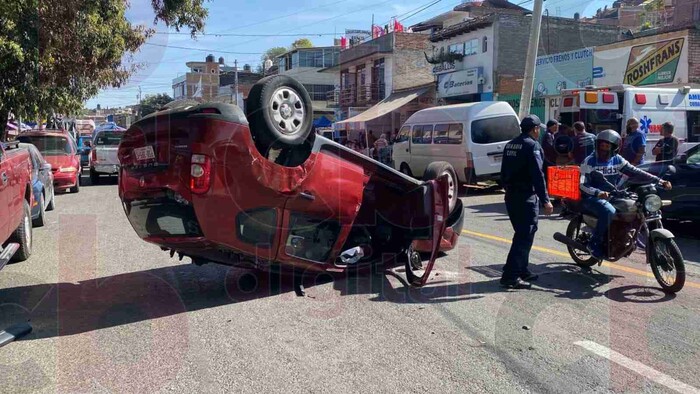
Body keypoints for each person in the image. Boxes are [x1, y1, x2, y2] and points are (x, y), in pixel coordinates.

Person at [579, 130, 671, 260]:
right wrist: (598, 192)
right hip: (591, 197)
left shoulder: (617, 159)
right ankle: (594, 243)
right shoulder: (589, 161)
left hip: (613, 195)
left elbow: (636, 171)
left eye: (607, 146)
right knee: (608, 211)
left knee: (636, 207)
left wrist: (659, 181)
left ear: (614, 147)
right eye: (601, 145)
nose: (603, 148)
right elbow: (582, 185)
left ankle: (623, 237)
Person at [499, 115, 554, 289]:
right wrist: (546, 200)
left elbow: (502, 172)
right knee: (524, 236)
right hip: (525, 197)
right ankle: (510, 276)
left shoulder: (510, 145)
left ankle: (522, 269)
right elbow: (538, 175)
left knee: (523, 234)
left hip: (511, 196)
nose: (539, 131)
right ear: (535, 129)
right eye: (539, 129)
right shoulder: (532, 146)